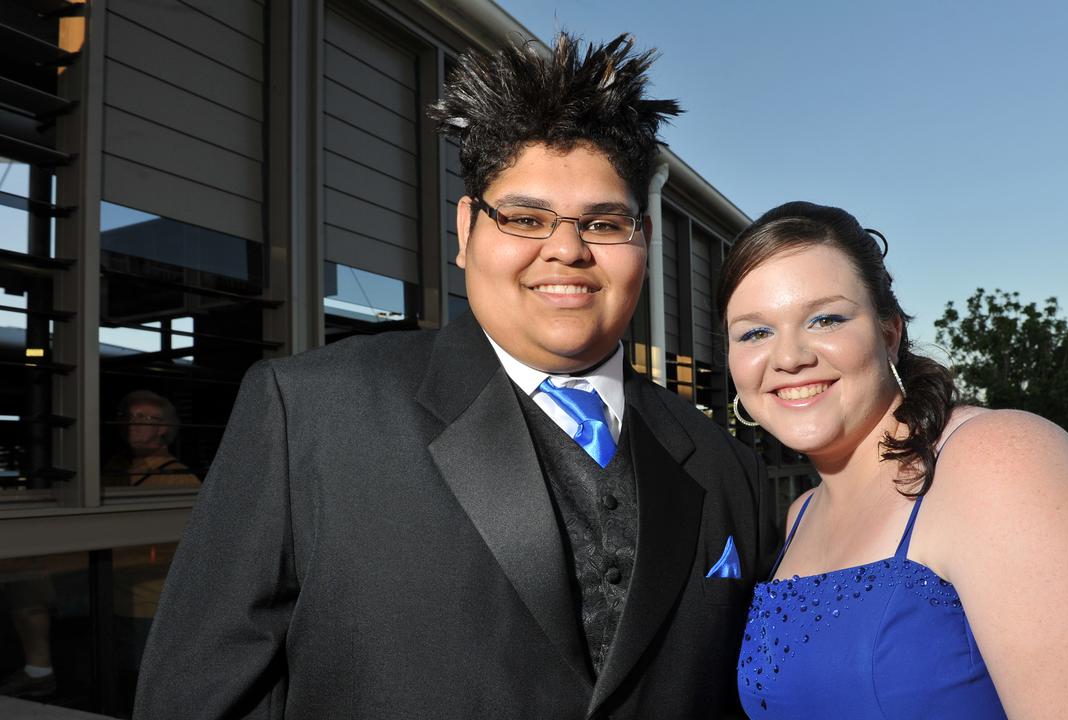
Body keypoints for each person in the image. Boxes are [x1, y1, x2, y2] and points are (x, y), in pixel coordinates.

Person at [135, 33, 774, 719]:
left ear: (643, 239)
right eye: (526, 218)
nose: (566, 249)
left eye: (603, 222)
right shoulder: (311, 416)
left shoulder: (726, 467)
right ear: (466, 230)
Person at [719, 202, 1068, 718]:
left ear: (889, 334)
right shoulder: (800, 515)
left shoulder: (1000, 462)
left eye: (824, 318)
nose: (789, 357)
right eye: (754, 332)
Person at [102, 390, 200, 488]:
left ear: (162, 427)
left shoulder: (179, 478)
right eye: (128, 416)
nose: (131, 422)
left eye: (141, 417)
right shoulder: (116, 464)